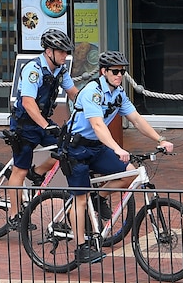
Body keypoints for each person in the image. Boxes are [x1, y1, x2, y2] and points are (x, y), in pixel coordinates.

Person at [61, 50, 174, 265]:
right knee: (80, 198)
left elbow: (136, 120)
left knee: (129, 173)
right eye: (115, 71)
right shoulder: (93, 91)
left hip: (96, 146)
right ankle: (81, 247)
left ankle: (99, 197)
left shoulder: (118, 93)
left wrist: (160, 139)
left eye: (122, 71)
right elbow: (97, 125)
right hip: (76, 149)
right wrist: (116, 149)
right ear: (103, 71)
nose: (119, 75)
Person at [7, 29, 79, 226]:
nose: (65, 55)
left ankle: (37, 172)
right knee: (20, 169)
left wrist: (88, 110)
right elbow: (29, 103)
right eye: (62, 51)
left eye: (66, 52)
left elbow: (73, 93)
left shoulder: (60, 70)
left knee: (65, 148)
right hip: (25, 125)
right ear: (49, 51)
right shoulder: (33, 70)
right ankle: (14, 215)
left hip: (42, 122)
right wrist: (47, 126)